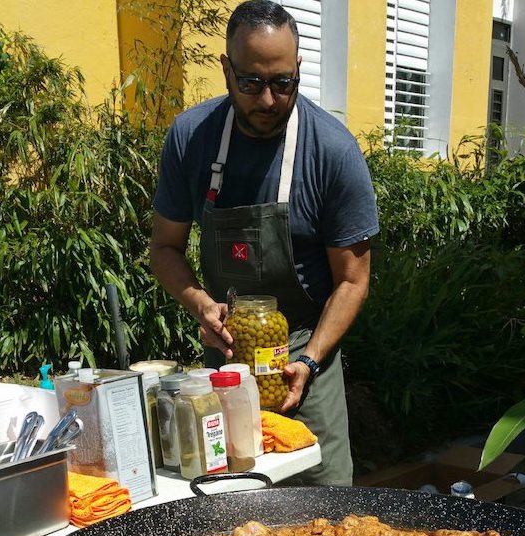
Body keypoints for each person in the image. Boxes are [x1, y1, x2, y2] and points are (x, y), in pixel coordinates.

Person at [150, 0, 379, 485]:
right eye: (251, 83)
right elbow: (165, 248)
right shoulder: (192, 137)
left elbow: (353, 281)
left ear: (298, 69)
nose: (268, 101)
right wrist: (200, 306)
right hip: (228, 354)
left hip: (305, 351)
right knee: (226, 495)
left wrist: (310, 358)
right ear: (226, 70)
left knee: (326, 497)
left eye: (282, 83)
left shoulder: (332, 151)